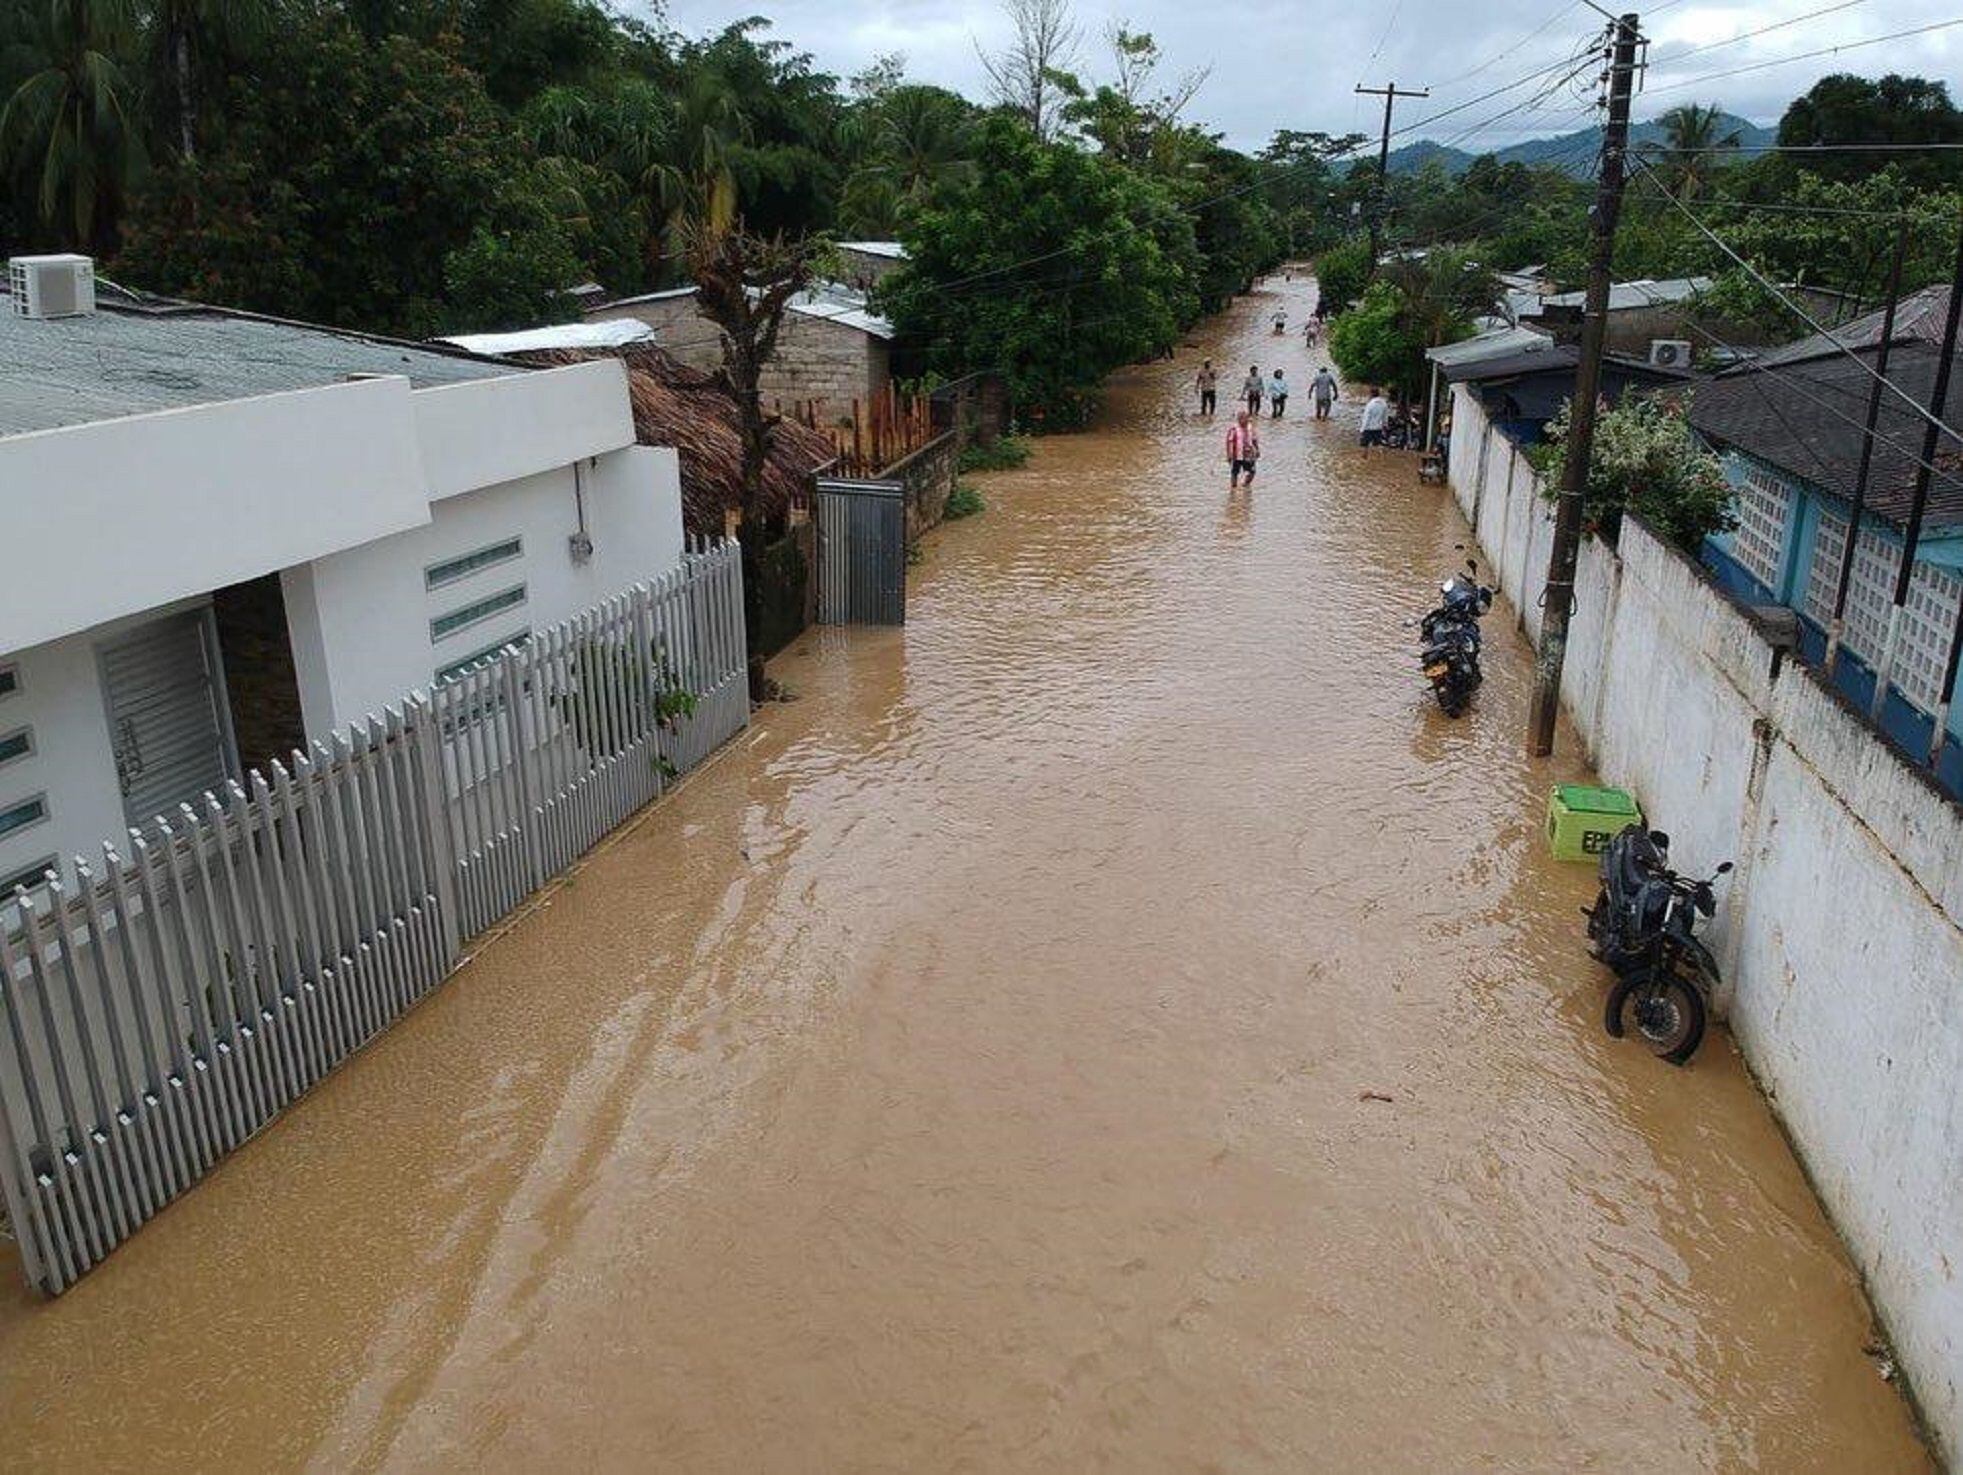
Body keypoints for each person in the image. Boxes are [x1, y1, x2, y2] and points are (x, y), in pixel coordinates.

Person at [1226, 411, 1261, 488]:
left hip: (1248, 455)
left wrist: (1257, 450)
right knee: (1234, 473)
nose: (1243, 421)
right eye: (1241, 419)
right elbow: (1229, 442)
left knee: (1252, 472)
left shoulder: (1250, 428)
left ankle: (1245, 485)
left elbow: (1254, 439)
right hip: (1236, 455)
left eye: (1245, 418)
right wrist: (1229, 455)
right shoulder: (1233, 429)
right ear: (1238, 419)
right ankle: (1233, 489)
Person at [1360, 387, 1390, 451]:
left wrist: (1362, 429)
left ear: (1371, 394)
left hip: (1369, 428)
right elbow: (1385, 416)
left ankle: (1365, 459)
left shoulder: (1370, 404)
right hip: (1378, 428)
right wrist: (1385, 426)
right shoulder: (1384, 403)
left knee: (1365, 446)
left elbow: (1366, 418)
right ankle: (1380, 458)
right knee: (1378, 445)